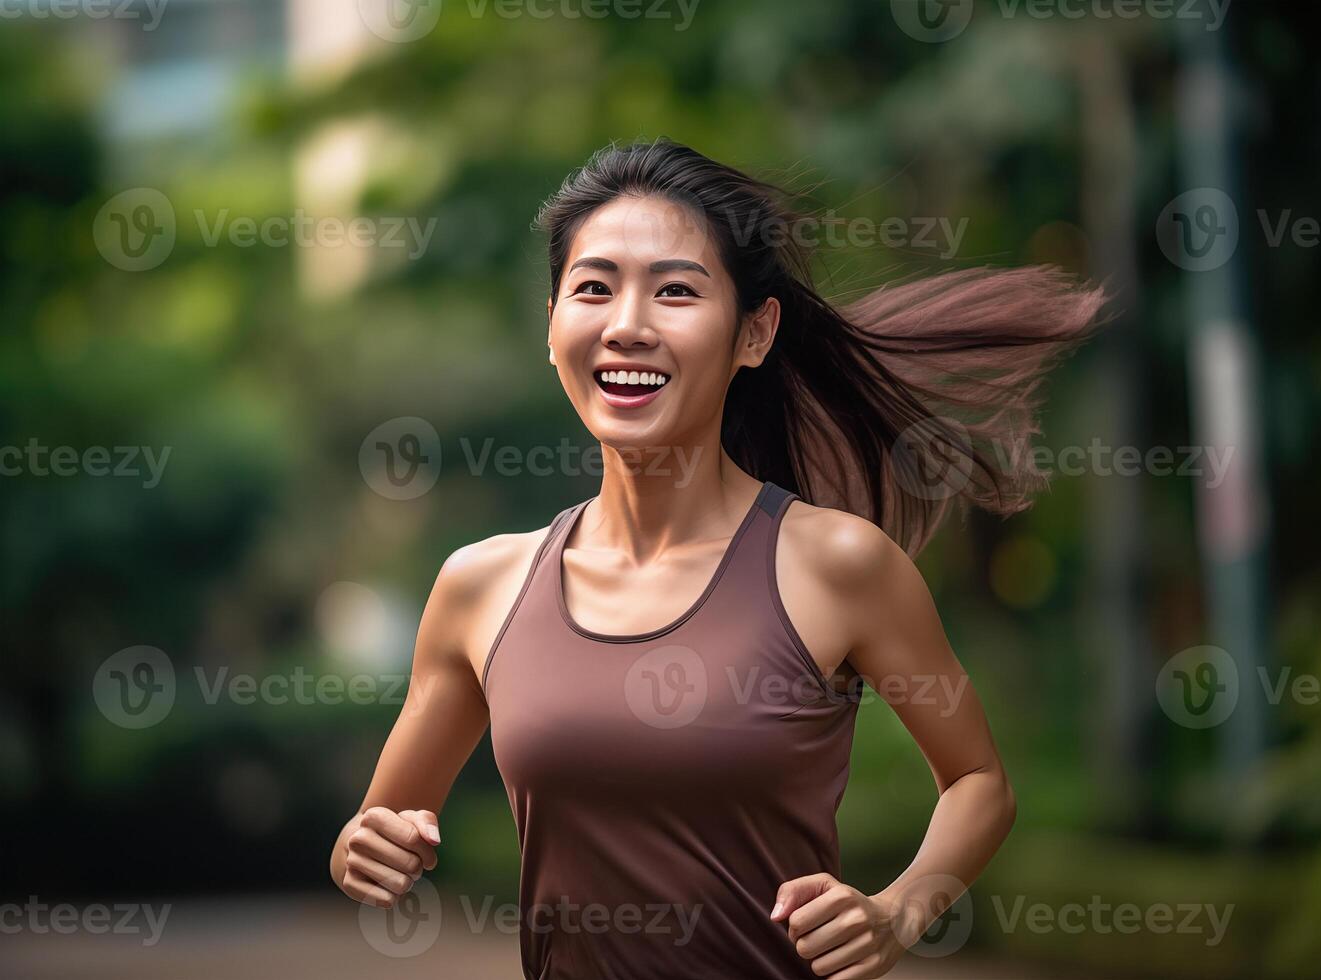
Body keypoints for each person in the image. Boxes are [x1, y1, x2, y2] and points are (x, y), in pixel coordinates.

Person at [329, 138, 1103, 978]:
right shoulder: (481, 586)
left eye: (675, 292)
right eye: (593, 289)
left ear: (755, 333)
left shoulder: (838, 565)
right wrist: (365, 848)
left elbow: (979, 781)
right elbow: (378, 828)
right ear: (552, 327)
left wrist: (899, 909)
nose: (627, 325)